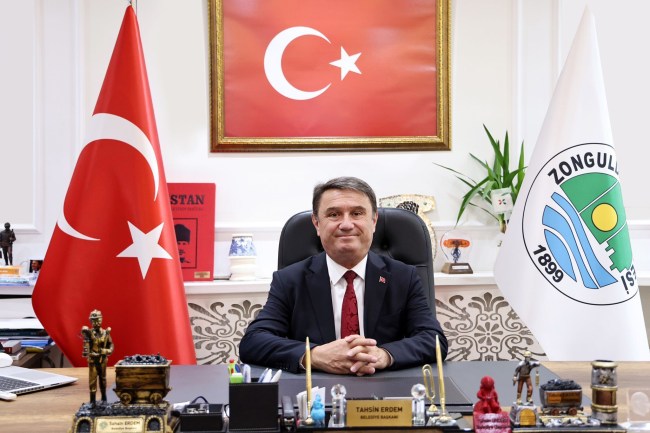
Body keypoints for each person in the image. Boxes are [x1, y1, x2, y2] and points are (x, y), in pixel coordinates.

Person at [239, 177, 447, 375]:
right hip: (316, 391)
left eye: (357, 213)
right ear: (316, 224)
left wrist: (384, 355)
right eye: (334, 214)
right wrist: (314, 355)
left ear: (374, 221)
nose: (346, 224)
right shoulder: (289, 280)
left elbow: (433, 339)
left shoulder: (403, 277)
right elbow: (254, 342)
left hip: (385, 390)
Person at [82, 310, 114, 405]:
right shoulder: (89, 334)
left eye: (98, 320)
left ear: (101, 320)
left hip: (102, 360)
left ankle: (104, 399)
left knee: (103, 379)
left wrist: (105, 351)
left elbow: (111, 346)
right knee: (92, 381)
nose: (96, 323)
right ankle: (92, 401)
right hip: (93, 361)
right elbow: (86, 349)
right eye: (93, 321)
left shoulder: (105, 333)